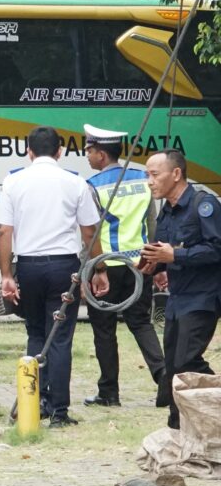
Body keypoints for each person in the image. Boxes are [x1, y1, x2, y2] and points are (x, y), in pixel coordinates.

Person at [0, 126, 99, 426]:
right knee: (61, 339)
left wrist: (7, 274)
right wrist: (99, 269)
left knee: (36, 333)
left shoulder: (13, 182)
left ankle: (33, 402)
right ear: (60, 151)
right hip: (64, 266)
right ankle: (60, 411)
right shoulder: (74, 183)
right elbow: (89, 231)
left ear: (28, 151)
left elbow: (3, 230)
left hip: (28, 266)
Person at [82, 124, 165, 408]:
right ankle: (163, 377)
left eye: (90, 151)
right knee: (141, 323)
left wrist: (93, 270)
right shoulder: (144, 179)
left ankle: (109, 393)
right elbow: (151, 223)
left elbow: (90, 232)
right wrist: (153, 260)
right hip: (139, 264)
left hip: (105, 266)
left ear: (102, 155)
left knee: (104, 329)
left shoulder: (92, 186)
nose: (88, 157)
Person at [137, 150, 220, 430]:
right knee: (172, 367)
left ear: (176, 174)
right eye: (148, 174)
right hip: (176, 299)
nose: (149, 181)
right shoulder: (167, 211)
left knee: (187, 361)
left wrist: (175, 257)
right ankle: (177, 428)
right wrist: (154, 265)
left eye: (154, 174)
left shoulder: (203, 205)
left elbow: (216, 249)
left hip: (203, 298)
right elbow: (163, 249)